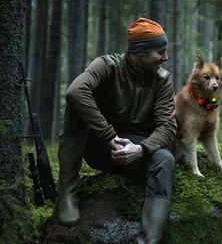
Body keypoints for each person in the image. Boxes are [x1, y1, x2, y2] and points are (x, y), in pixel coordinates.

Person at [57, 17, 177, 244]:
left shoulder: (163, 80)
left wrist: (141, 149)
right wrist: (109, 136)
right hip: (99, 148)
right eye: (160, 52)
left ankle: (147, 240)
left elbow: (168, 126)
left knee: (165, 161)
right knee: (78, 104)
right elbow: (74, 91)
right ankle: (68, 193)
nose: (165, 57)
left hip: (137, 152)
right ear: (140, 53)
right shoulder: (107, 66)